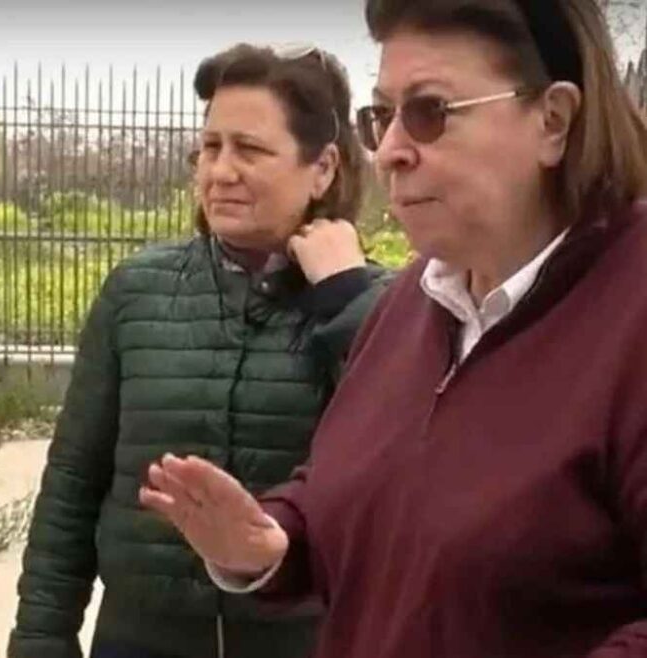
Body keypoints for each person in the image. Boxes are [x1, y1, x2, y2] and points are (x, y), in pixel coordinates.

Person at [141, 1, 647, 657]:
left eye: (430, 112)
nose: (389, 153)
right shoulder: (412, 300)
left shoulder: (629, 309)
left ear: (553, 120)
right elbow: (353, 484)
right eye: (381, 117)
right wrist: (276, 541)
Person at [9, 43, 391, 658]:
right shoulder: (137, 291)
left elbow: (400, 464)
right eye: (211, 147)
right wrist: (41, 639)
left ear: (322, 168)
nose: (221, 171)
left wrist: (344, 297)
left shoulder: (379, 307)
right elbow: (74, 481)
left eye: (250, 149)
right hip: (138, 639)